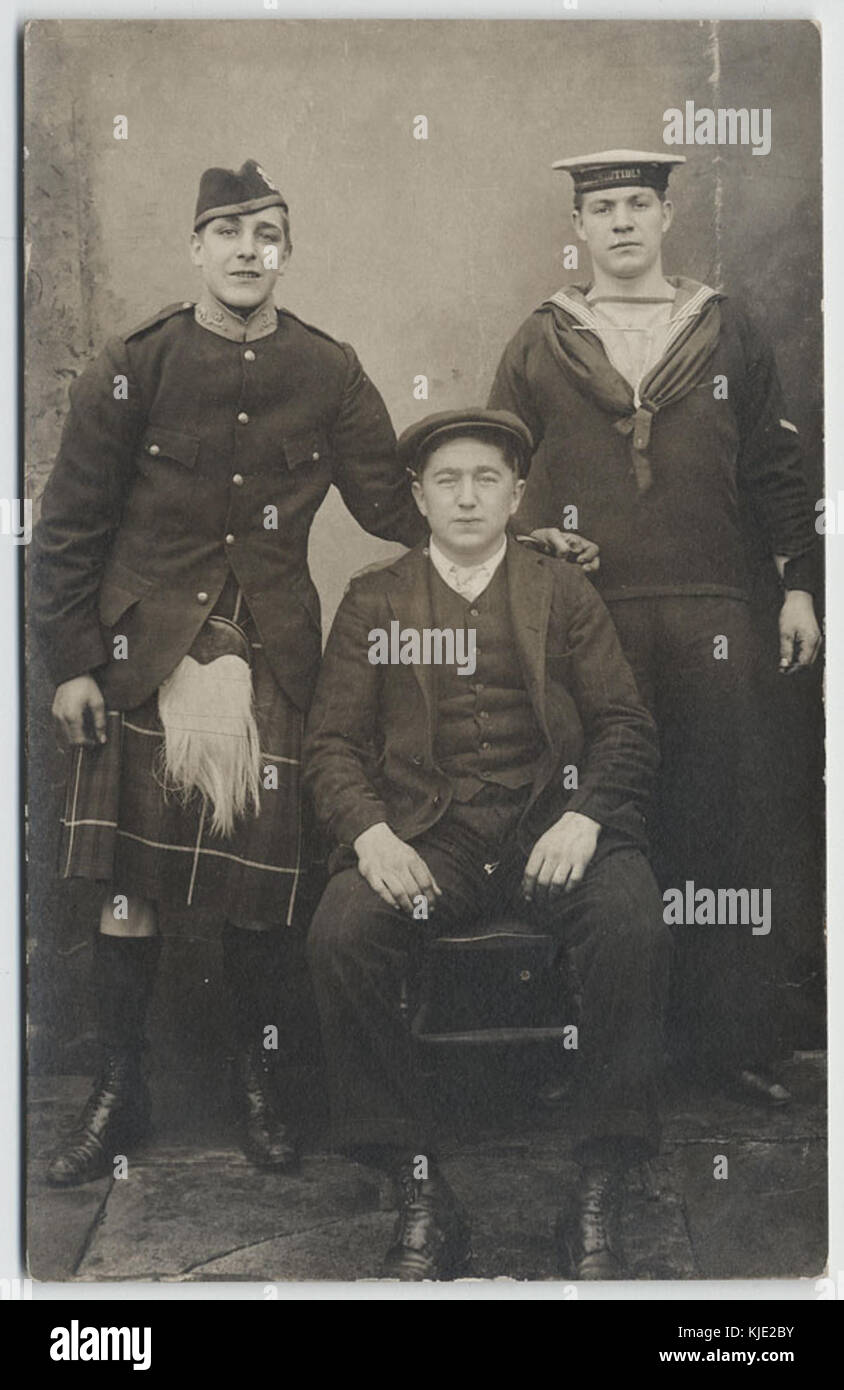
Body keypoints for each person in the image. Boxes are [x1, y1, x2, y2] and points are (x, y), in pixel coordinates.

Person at [32, 158, 426, 1186]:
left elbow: (391, 503)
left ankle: (259, 1087)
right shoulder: (133, 360)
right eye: (231, 235)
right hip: (135, 663)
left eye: (269, 237)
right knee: (127, 893)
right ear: (196, 248)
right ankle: (119, 1092)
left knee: (262, 900)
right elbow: (68, 526)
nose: (251, 254)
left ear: (285, 253)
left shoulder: (329, 370)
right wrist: (73, 663)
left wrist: (506, 523)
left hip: (272, 659)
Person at [303, 407, 671, 1280]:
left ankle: (599, 1177)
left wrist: (588, 816)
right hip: (437, 843)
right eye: (447, 482)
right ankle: (418, 1185)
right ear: (420, 498)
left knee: (634, 924)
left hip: (555, 830)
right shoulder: (375, 598)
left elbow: (625, 723)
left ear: (515, 494)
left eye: (486, 480)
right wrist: (371, 833)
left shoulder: (562, 590)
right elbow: (328, 746)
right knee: (341, 932)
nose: (467, 498)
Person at [487, 149, 821, 1105]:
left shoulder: (726, 328)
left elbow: (773, 469)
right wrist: (527, 533)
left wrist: (798, 587)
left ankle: (730, 1048)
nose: (623, 222)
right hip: (587, 618)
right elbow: (488, 461)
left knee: (722, 816)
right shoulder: (544, 337)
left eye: (640, 203)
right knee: (601, 818)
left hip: (719, 608)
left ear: (668, 215)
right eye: (603, 209)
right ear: (580, 228)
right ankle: (600, 1051)